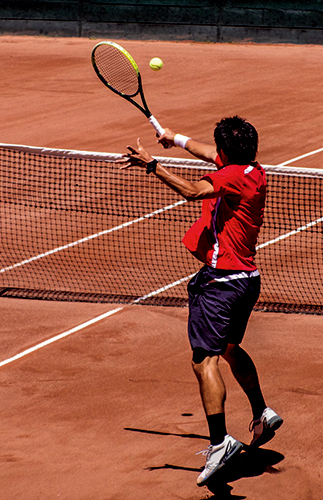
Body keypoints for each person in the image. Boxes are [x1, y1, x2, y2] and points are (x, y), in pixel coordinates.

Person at [121, 116, 282, 487]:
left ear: (226, 151)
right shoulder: (252, 170)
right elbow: (208, 152)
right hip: (247, 280)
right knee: (229, 348)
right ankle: (261, 411)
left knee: (204, 360)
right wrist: (173, 138)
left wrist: (153, 165)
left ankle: (219, 442)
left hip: (220, 285)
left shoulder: (230, 177)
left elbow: (193, 192)